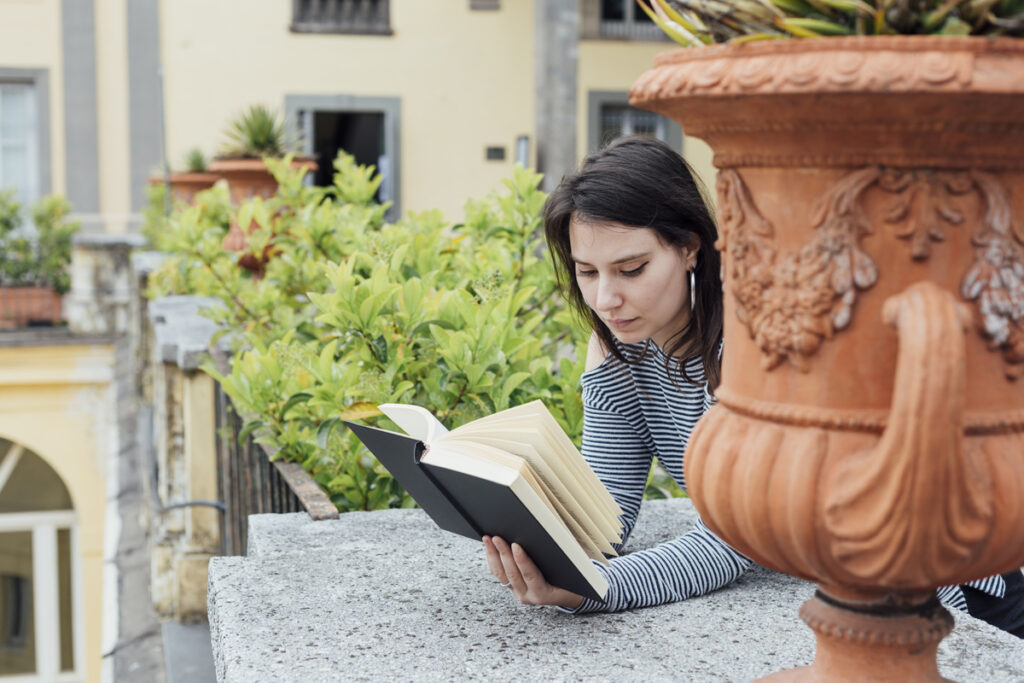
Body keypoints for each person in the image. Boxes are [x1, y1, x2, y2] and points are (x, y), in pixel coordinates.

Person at [481, 135, 1024, 634]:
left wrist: (598, 588)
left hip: (942, 593)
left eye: (631, 269)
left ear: (689, 247)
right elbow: (606, 516)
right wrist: (536, 541)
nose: (605, 300)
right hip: (822, 587)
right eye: (587, 272)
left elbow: (735, 535)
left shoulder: (756, 338)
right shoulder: (619, 350)